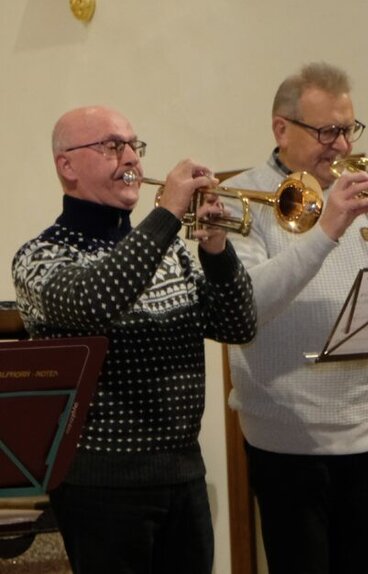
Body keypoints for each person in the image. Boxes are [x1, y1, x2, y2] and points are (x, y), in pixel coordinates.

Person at [12, 105, 257, 573]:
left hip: (184, 476)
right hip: (100, 485)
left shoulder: (168, 253)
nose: (131, 159)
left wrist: (216, 249)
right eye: (112, 146)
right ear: (67, 166)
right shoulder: (40, 258)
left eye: (133, 146)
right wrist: (167, 213)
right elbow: (96, 302)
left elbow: (239, 326)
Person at [225, 62, 368, 574]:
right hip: (286, 436)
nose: (341, 146)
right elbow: (248, 306)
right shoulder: (243, 198)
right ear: (281, 129)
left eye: (348, 129)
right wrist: (328, 229)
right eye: (327, 132)